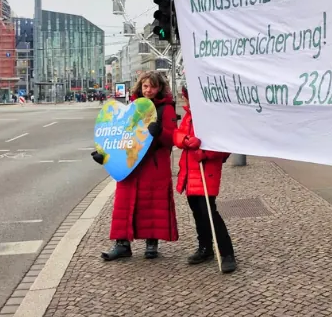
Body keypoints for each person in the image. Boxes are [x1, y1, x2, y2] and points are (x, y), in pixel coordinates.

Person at [92, 70, 178, 261]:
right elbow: (119, 134)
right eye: (146, 86)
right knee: (123, 204)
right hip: (130, 162)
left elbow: (172, 138)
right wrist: (105, 154)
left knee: (153, 204)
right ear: (140, 87)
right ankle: (122, 244)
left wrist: (160, 132)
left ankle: (151, 243)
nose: (149, 90)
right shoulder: (132, 107)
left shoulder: (166, 109)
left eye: (153, 86)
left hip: (154, 164)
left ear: (160, 88)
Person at [173, 85, 236, 273]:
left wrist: (206, 153)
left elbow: (225, 144)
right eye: (186, 98)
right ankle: (205, 247)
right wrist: (185, 141)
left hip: (205, 172)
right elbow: (177, 134)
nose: (187, 102)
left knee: (209, 212)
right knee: (198, 213)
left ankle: (226, 253)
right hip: (189, 173)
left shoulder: (212, 118)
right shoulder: (190, 116)